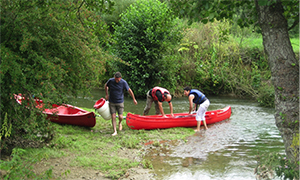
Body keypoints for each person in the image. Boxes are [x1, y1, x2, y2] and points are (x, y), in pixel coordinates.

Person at [105, 72, 138, 136]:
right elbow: (106, 85)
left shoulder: (123, 82)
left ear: (120, 78)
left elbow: (129, 91)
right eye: (115, 79)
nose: (117, 81)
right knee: (113, 116)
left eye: (118, 79)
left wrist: (134, 99)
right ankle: (115, 131)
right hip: (112, 101)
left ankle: (120, 123)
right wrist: (106, 94)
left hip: (120, 102)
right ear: (114, 77)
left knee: (120, 116)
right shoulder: (110, 81)